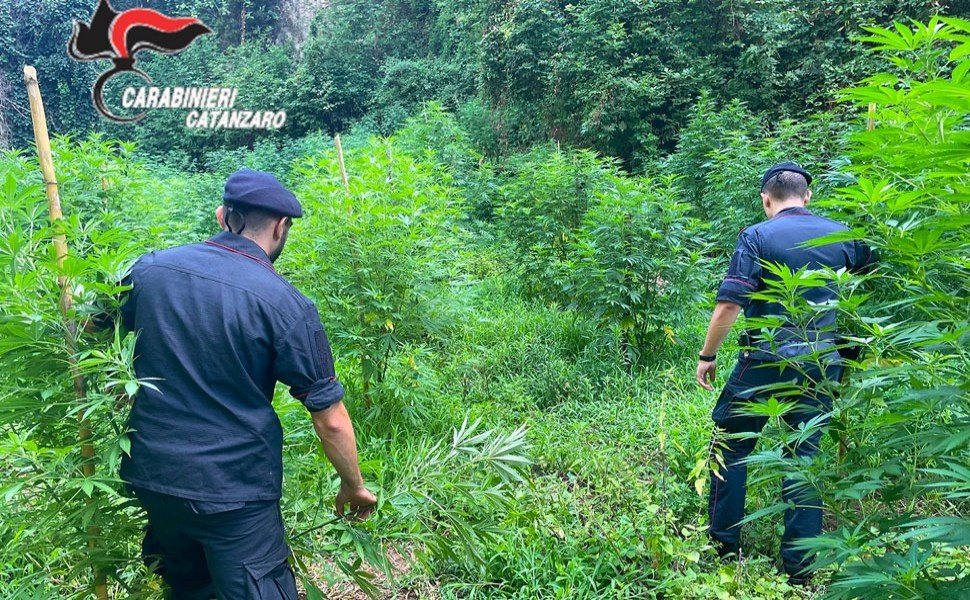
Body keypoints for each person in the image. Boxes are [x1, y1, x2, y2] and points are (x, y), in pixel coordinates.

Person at [118, 169, 377, 599]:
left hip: (151, 476)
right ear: (280, 228)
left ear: (223, 216)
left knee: (188, 588)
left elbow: (91, 325)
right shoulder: (285, 303)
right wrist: (353, 486)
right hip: (232, 492)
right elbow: (329, 418)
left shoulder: (149, 269)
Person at [695, 162, 875, 585]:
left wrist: (708, 355)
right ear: (807, 196)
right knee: (805, 459)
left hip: (766, 360)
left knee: (731, 446)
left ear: (765, 199)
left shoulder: (757, 236)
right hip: (821, 363)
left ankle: (723, 549)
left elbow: (728, 305)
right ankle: (800, 572)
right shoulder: (842, 235)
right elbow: (872, 273)